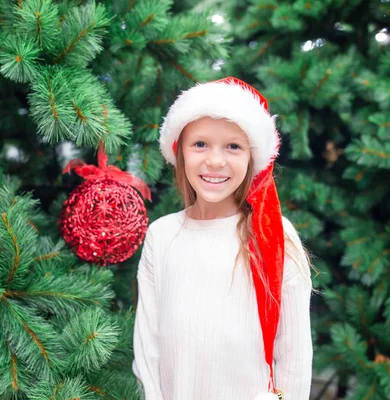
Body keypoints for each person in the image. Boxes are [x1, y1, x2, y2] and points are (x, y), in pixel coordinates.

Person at [132, 77, 314, 400]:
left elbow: (294, 357)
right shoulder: (161, 237)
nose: (215, 161)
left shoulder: (273, 234)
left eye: (233, 146)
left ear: (251, 157)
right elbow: (149, 349)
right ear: (180, 151)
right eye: (200, 144)